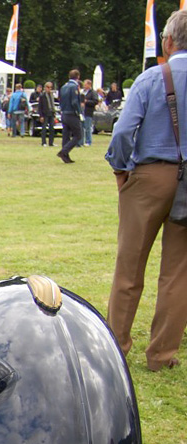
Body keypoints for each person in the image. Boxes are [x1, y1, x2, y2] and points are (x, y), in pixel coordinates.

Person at [105, 9, 187, 372]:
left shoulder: (153, 77)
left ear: (168, 42)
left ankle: (116, 346)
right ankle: (162, 355)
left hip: (149, 176)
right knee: (179, 272)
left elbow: (123, 132)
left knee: (129, 266)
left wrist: (121, 168)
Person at [58, 69, 83, 163]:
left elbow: (60, 100)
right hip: (72, 113)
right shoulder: (74, 86)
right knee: (78, 135)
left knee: (66, 135)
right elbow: (75, 101)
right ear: (78, 77)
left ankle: (65, 157)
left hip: (64, 113)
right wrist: (79, 112)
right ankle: (64, 151)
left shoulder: (64, 86)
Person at [81, 79, 99, 147]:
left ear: (89, 85)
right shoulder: (83, 92)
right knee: (82, 127)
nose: (84, 86)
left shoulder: (93, 92)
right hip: (83, 112)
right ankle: (82, 141)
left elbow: (95, 101)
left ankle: (88, 141)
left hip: (88, 112)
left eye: (85, 85)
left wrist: (86, 101)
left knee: (88, 127)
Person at [38, 82, 56, 147]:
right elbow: (40, 107)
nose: (49, 89)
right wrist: (41, 116)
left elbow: (53, 104)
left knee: (52, 128)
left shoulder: (52, 95)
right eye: (48, 87)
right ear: (45, 88)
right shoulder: (42, 96)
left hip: (51, 113)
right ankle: (44, 142)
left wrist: (54, 114)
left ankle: (51, 142)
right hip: (45, 114)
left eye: (51, 87)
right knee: (44, 129)